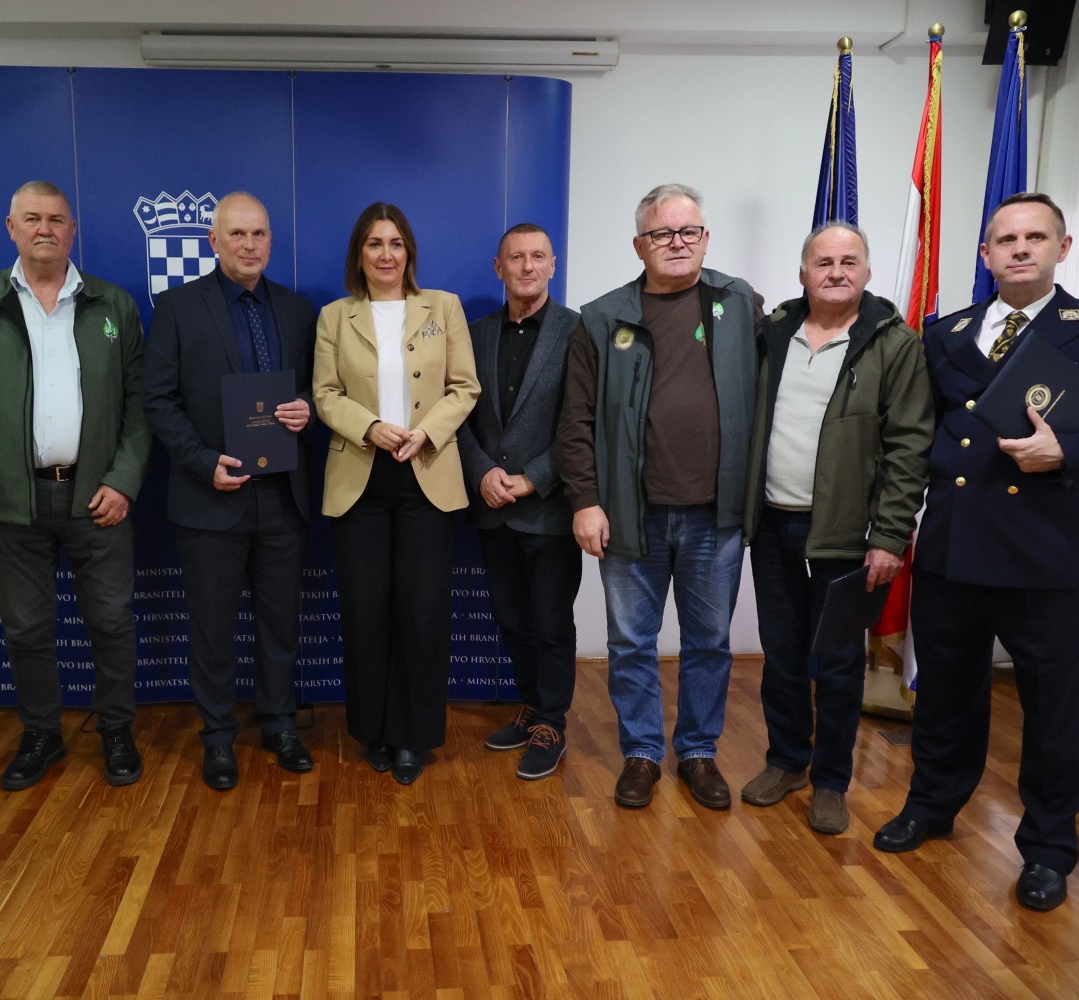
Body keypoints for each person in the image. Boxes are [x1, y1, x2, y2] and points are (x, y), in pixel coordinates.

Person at [873, 193, 1079, 911]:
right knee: (945, 694)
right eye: (1006, 240)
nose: (1021, 249)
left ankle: (1048, 848)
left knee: (1052, 709)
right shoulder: (946, 333)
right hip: (953, 548)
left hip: (1044, 557)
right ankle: (932, 804)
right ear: (987, 254)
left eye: (1036, 237)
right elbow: (925, 434)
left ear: (1062, 248)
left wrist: (1066, 453)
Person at [0, 180, 151, 791]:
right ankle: (41, 733)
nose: (44, 229)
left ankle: (116, 729)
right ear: (11, 228)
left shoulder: (113, 305)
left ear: (73, 230)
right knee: (26, 628)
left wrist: (124, 481)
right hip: (12, 500)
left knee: (111, 620)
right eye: (31, 218)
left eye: (56, 219)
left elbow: (140, 405)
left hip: (98, 497)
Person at [557, 183, 763, 811]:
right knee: (630, 644)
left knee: (709, 643)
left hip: (715, 517)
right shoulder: (602, 318)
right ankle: (642, 753)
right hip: (631, 516)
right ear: (639, 245)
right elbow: (576, 420)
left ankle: (697, 752)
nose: (677, 242)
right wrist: (585, 501)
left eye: (688, 231)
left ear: (705, 238)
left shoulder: (741, 304)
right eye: (662, 233)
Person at [739, 222, 932, 834]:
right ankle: (786, 762)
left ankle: (830, 781)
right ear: (803, 272)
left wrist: (890, 536)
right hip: (772, 525)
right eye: (823, 262)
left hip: (848, 536)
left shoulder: (894, 344)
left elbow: (909, 447)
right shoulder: (772, 333)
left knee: (840, 663)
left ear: (867, 272)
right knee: (782, 656)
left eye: (850, 261)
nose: (836, 272)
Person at [144, 192, 317, 790]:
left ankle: (280, 724)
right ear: (213, 241)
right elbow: (158, 400)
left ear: (271, 240)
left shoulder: (297, 310)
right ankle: (218, 737)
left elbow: (318, 388)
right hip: (210, 495)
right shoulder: (177, 308)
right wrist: (201, 463)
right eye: (237, 234)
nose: (249, 245)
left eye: (259, 234)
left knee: (280, 624)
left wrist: (307, 408)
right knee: (213, 629)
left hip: (283, 496)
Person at [312, 201, 480, 785]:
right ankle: (374, 732)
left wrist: (425, 432)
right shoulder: (335, 316)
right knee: (366, 613)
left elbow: (465, 387)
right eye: (374, 244)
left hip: (425, 473)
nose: (386, 255)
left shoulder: (443, 307)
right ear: (359, 255)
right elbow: (324, 394)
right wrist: (369, 427)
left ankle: (413, 735)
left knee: (422, 613)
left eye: (395, 243)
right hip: (360, 477)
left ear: (409, 252)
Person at [458, 223, 582, 780]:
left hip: (548, 509)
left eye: (537, 256)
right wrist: (482, 471)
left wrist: (534, 478)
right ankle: (531, 706)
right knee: (510, 619)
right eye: (516, 257)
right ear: (498, 267)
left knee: (551, 623)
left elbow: (583, 423)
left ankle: (552, 723)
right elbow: (457, 414)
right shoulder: (475, 334)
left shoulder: (578, 333)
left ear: (552, 265)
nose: (527, 266)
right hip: (492, 508)